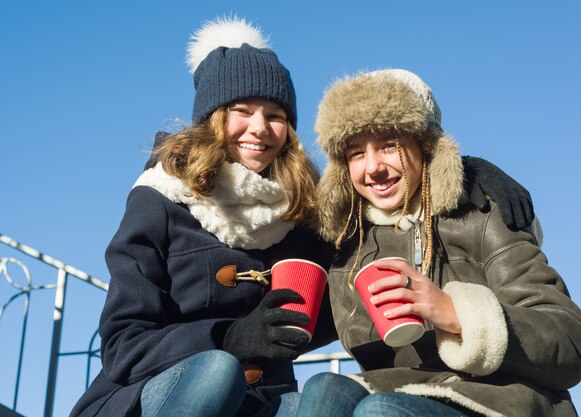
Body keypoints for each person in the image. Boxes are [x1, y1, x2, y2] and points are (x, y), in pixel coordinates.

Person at [70, 17, 536, 417]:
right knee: (216, 372)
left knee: (322, 399)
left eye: (274, 115)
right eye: (241, 111)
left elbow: (377, 214)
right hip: (151, 395)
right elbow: (121, 345)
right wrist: (225, 337)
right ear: (213, 118)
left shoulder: (301, 209)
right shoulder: (160, 198)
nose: (259, 128)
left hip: (262, 402)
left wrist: (462, 170)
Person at [293, 69, 581, 417]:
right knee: (321, 389)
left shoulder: (480, 217)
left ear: (425, 147)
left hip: (498, 401)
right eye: (356, 153)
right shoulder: (349, 245)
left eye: (389, 146)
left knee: (380, 411)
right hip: (397, 393)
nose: (373, 167)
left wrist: (457, 315)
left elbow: (574, 343)